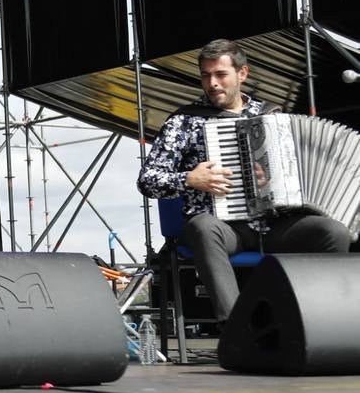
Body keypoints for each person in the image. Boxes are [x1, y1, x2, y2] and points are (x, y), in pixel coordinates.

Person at [136, 38, 352, 324]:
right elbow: (147, 180)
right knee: (202, 226)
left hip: (274, 224)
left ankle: (324, 321)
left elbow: (300, 176)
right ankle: (238, 327)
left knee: (333, 232)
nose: (212, 83)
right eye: (205, 75)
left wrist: (275, 179)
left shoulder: (273, 117)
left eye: (220, 74)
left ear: (242, 73)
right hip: (224, 230)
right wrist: (189, 178)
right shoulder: (184, 122)